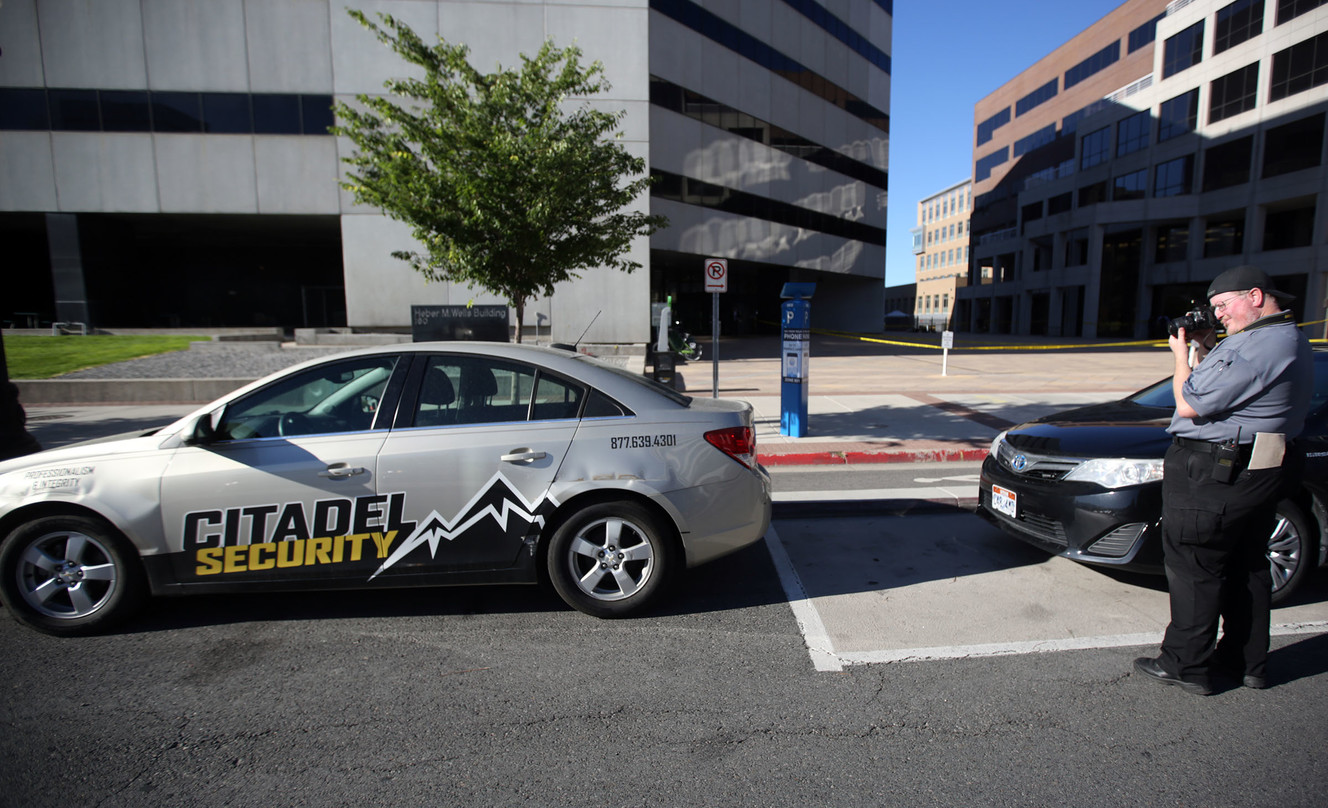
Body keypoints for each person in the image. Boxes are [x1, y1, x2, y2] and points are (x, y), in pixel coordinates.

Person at [1133, 266, 1313, 695]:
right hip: (1254, 466)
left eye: (1222, 305)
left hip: (1217, 472)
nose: (1218, 315)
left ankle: (1185, 664)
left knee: (1195, 563)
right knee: (1246, 563)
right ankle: (1246, 662)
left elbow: (1191, 402)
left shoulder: (1263, 342)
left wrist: (1180, 356)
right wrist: (1207, 347)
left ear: (1255, 295)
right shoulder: (1277, 339)